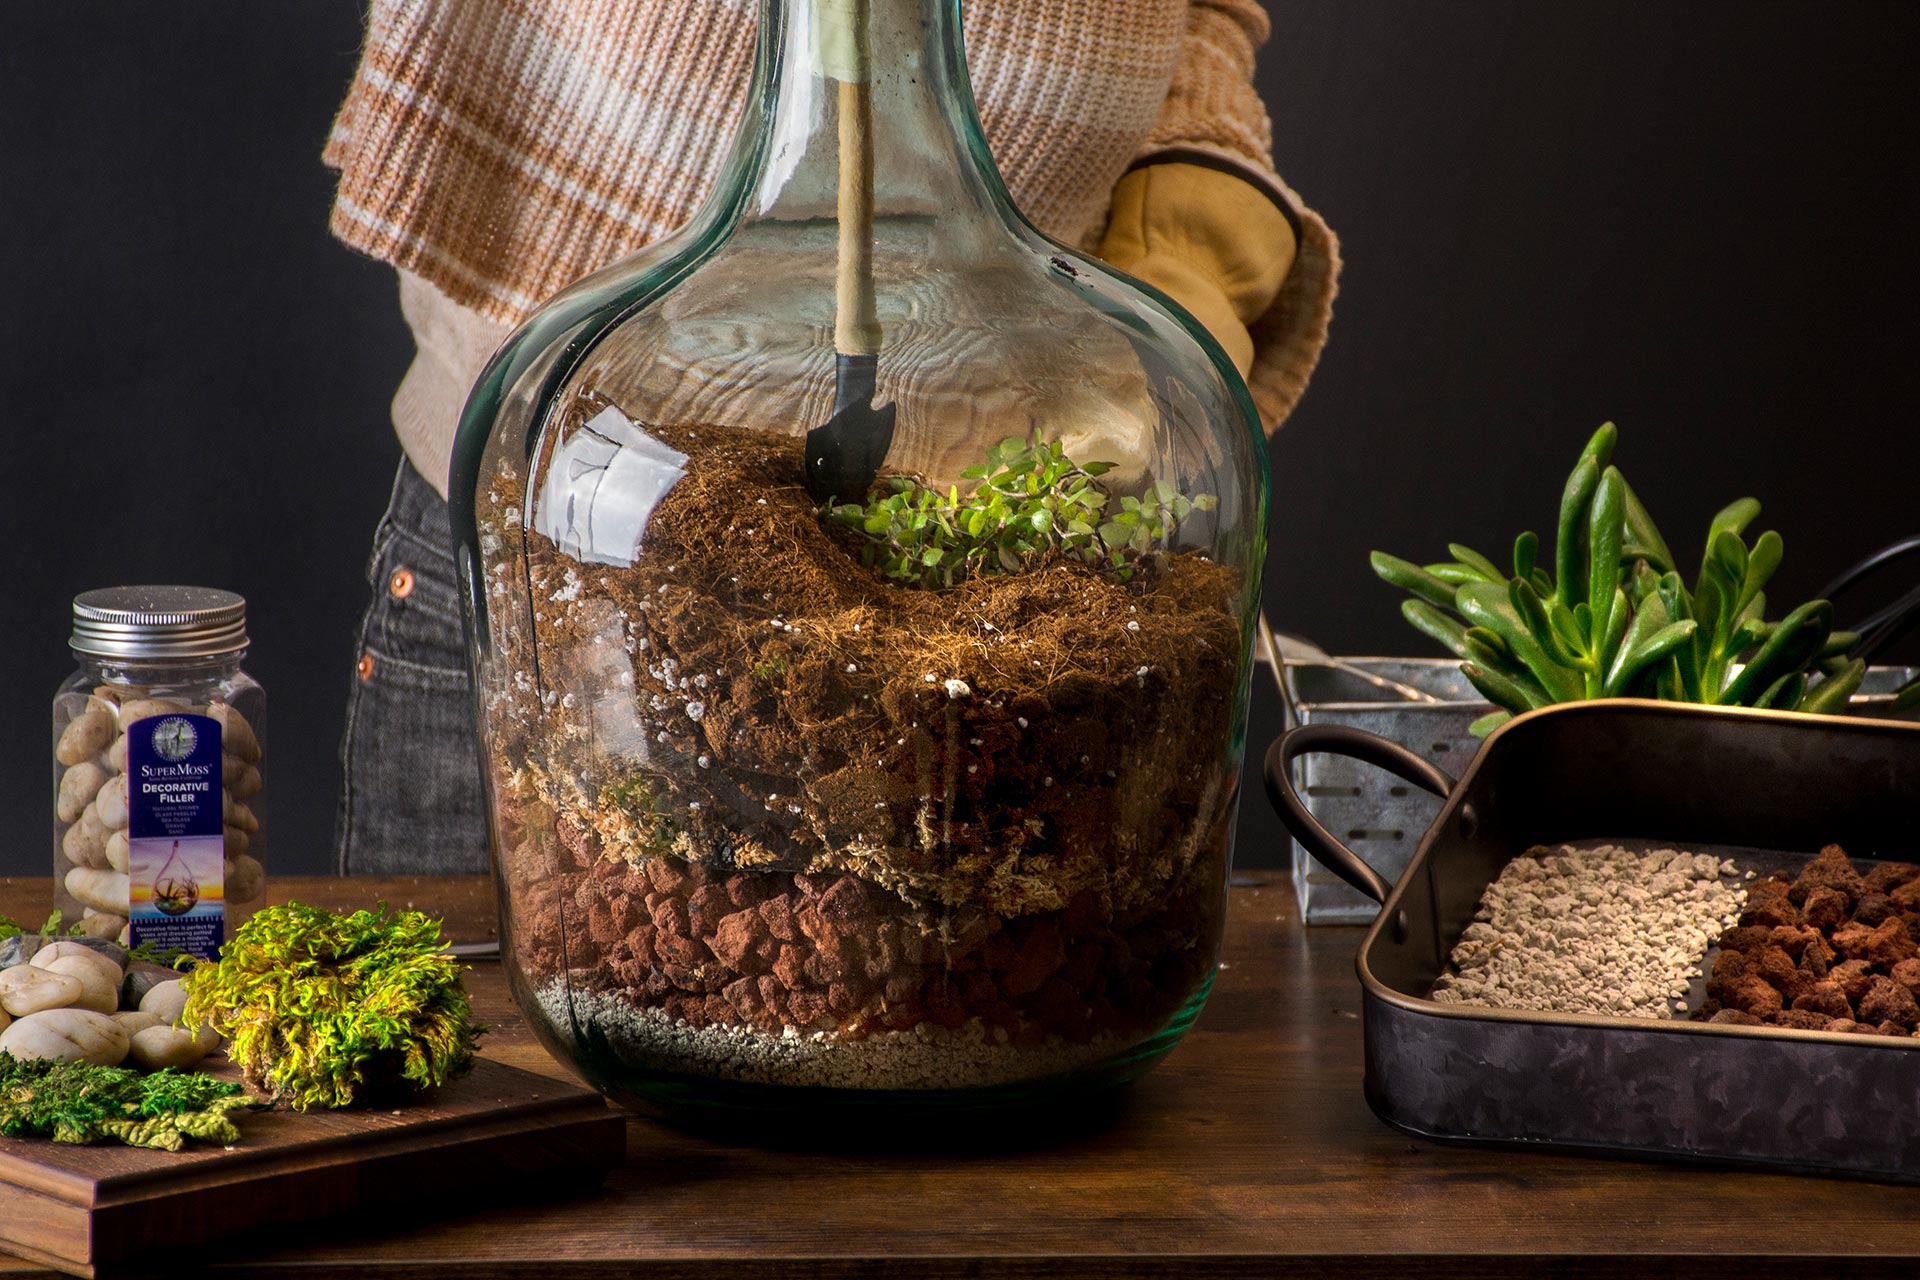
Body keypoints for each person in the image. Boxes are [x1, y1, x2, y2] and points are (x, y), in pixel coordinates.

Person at [326, 0, 1340, 874]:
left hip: (1017, 475)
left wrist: (1188, 233)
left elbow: (1206, 23)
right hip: (570, 548)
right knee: (509, 1065)